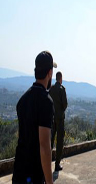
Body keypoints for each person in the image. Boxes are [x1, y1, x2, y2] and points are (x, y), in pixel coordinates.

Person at [13, 51, 57, 184]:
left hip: (19, 172)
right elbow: (44, 145)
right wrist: (49, 181)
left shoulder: (23, 99)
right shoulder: (45, 102)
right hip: (33, 175)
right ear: (49, 73)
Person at [48, 71, 67, 172]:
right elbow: (65, 104)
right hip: (60, 118)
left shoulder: (51, 89)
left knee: (50, 141)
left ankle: (46, 163)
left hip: (52, 118)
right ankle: (57, 164)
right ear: (61, 78)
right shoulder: (61, 89)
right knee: (59, 141)